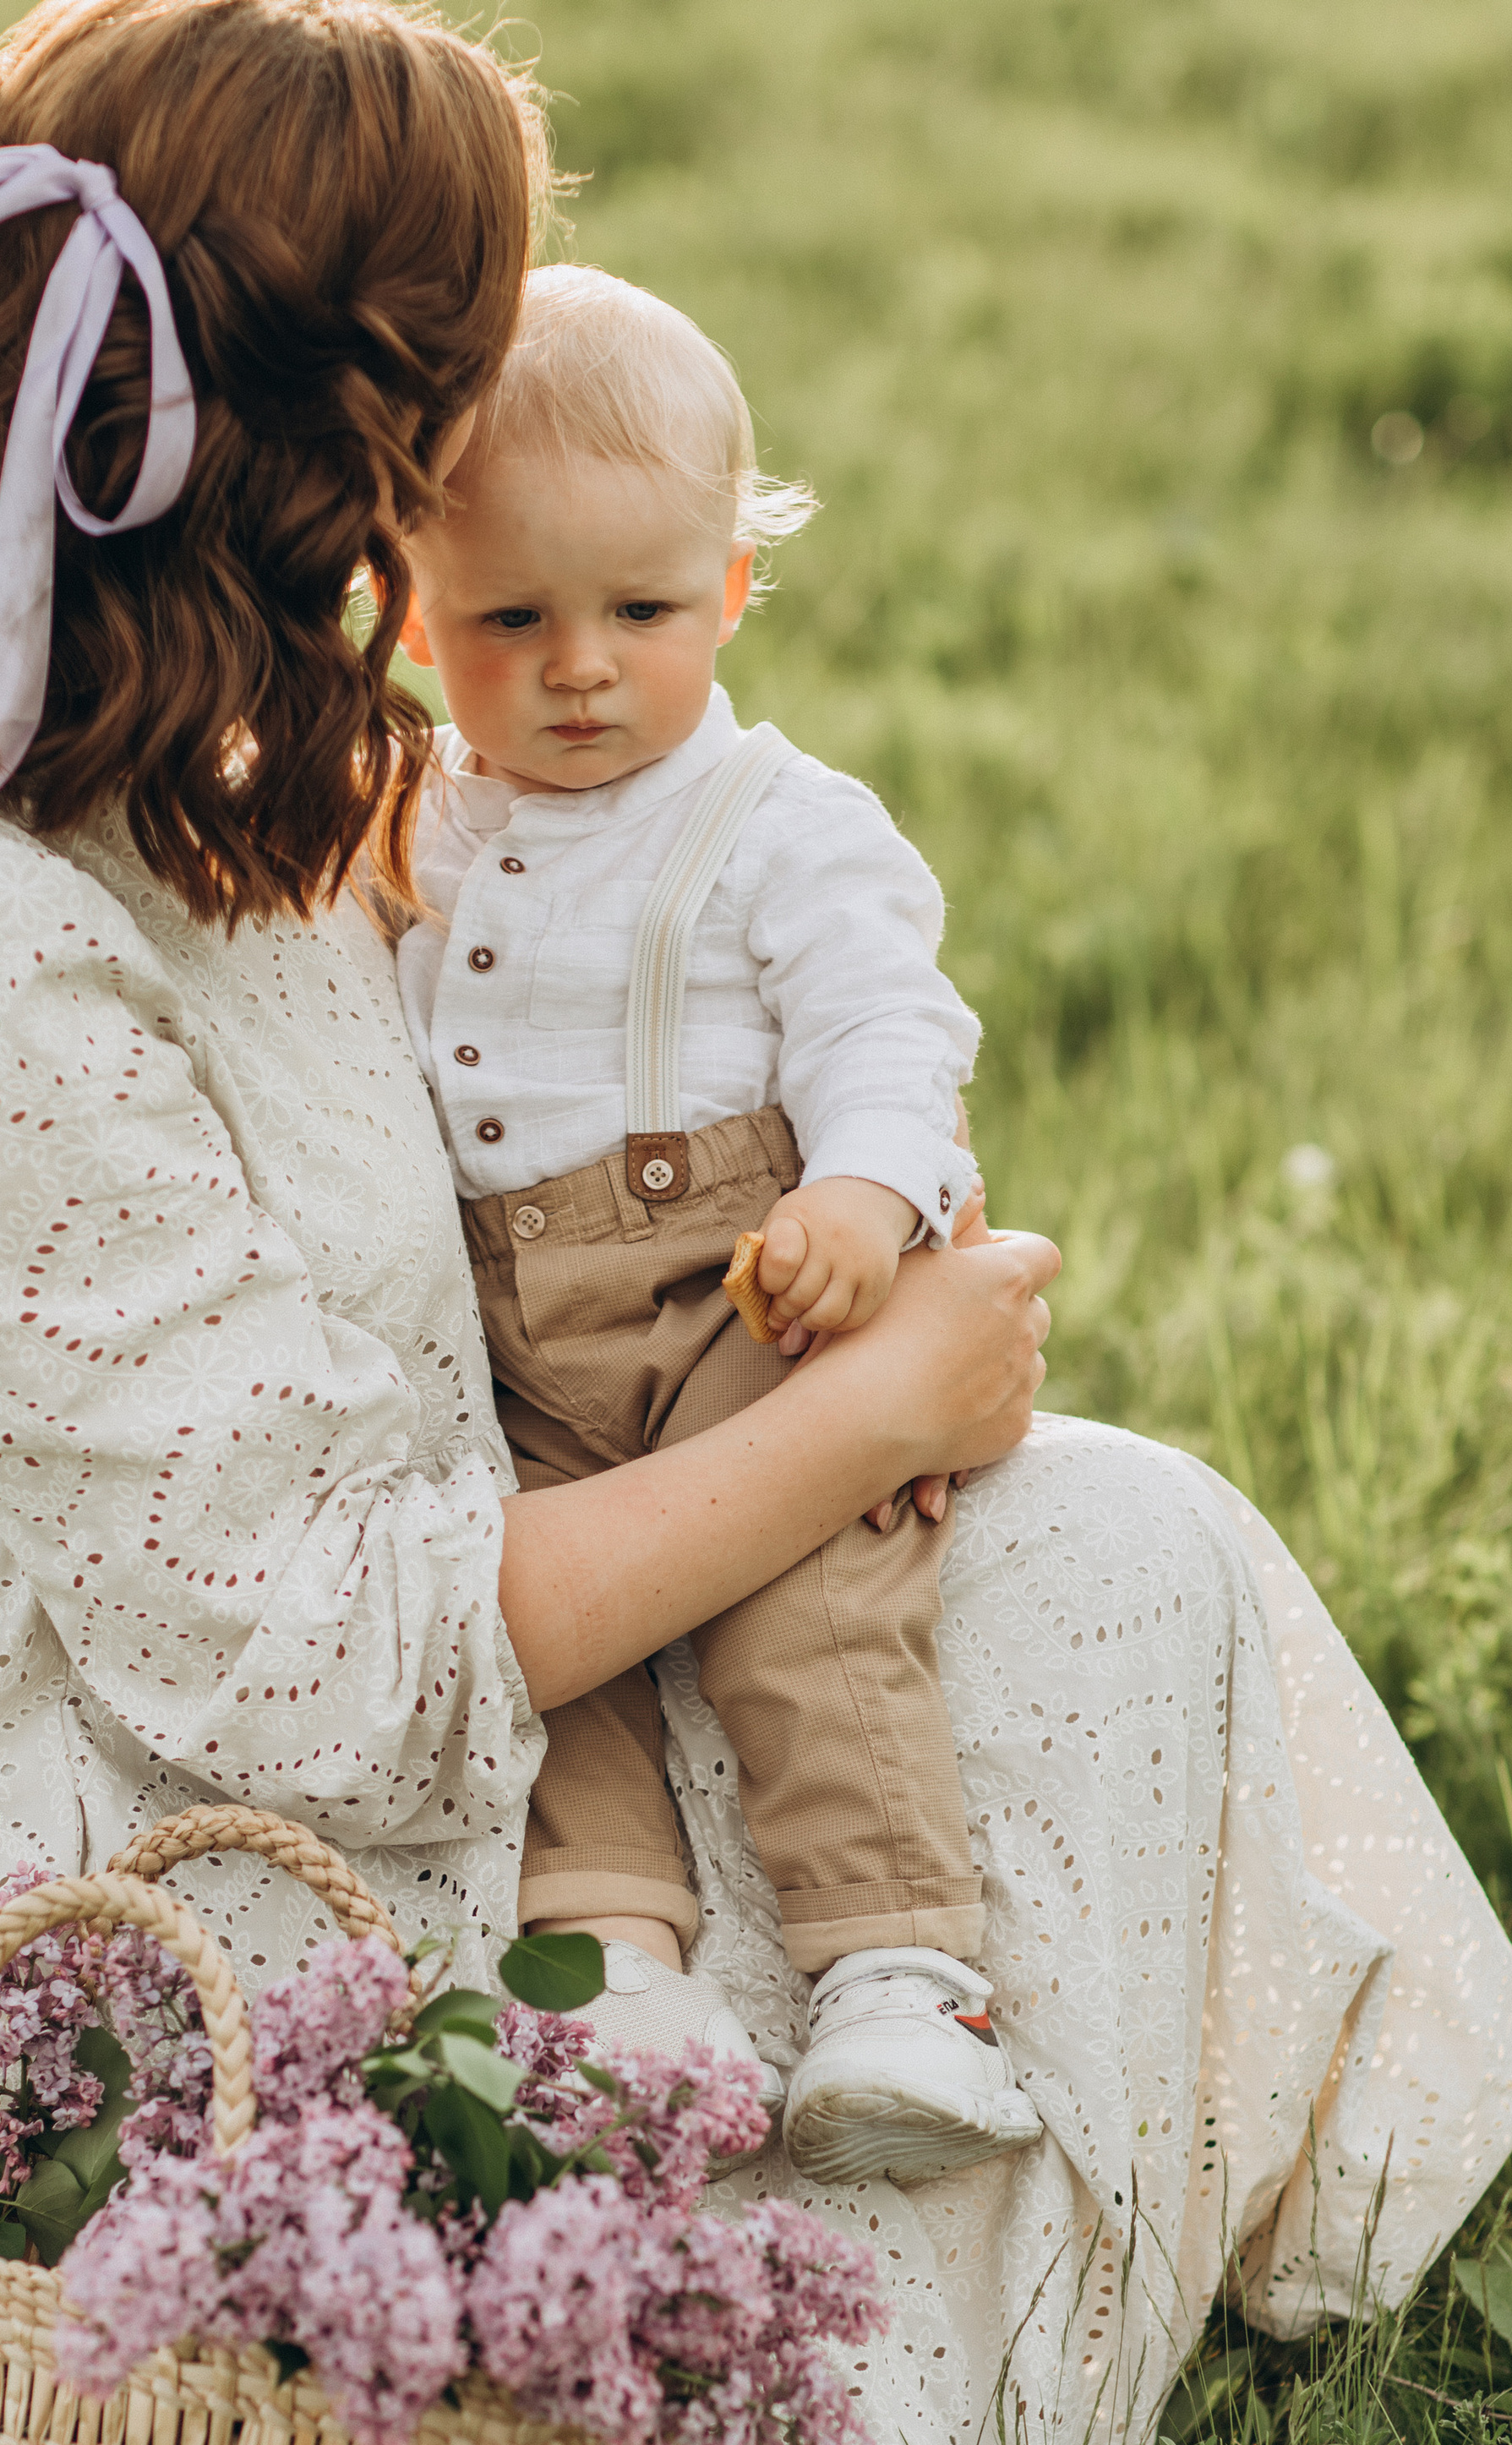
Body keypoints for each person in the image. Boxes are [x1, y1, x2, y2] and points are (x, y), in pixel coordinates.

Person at [0, 0, 1512, 2445]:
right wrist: (867, 1410)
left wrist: (829, 1209)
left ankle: (1091, 2239)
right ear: (321, 447)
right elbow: (317, 1667)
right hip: (124, 1862)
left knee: (1124, 1550)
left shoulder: (190, 690)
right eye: (439, 403)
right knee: (1032, 1606)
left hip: (447, 1570)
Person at [394, 264, 1040, 2190]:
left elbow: (882, 1021)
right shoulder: (413, 816)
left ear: (731, 592)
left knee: (802, 1597)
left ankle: (898, 1969)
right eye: (509, 619)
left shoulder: (775, 819)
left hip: (741, 1285)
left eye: (641, 611)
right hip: (509, 1331)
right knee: (549, 1641)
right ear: (414, 616)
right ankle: (603, 1972)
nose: (578, 666)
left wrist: (866, 1192)